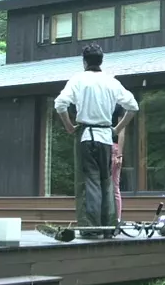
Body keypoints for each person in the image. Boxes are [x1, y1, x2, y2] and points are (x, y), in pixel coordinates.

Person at [54, 44, 137, 238]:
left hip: (86, 136)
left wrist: (69, 126)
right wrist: (117, 129)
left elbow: (60, 104)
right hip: (106, 138)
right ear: (101, 61)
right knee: (106, 183)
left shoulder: (79, 79)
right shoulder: (111, 81)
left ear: (84, 62)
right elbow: (133, 107)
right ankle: (109, 227)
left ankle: (90, 228)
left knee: (88, 182)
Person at [111, 106, 126, 221]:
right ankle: (117, 218)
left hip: (111, 148)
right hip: (110, 147)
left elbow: (121, 132)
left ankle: (116, 219)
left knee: (113, 187)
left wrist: (119, 155)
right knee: (114, 187)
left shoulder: (118, 107)